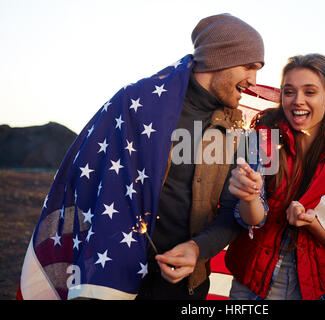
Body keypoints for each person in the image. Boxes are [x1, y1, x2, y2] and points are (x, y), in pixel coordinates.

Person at [17, 13, 264, 300]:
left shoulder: (239, 130)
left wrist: (197, 250)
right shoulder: (135, 104)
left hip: (186, 286)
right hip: (110, 276)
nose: (254, 80)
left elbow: (232, 215)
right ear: (221, 57)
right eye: (249, 66)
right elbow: (85, 178)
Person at [224, 54, 325, 300]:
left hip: (315, 287)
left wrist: (312, 224)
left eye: (310, 92)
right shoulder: (263, 138)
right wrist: (249, 197)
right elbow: (252, 221)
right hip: (254, 284)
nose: (297, 101)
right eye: (289, 92)